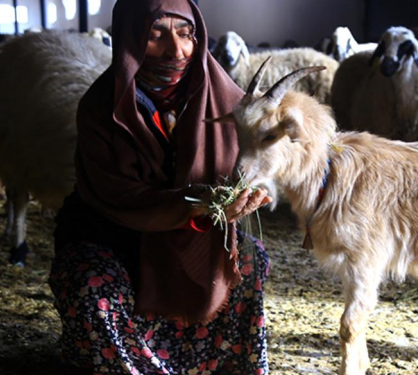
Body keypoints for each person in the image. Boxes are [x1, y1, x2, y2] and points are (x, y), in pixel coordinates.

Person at [48, 0, 272, 373]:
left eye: (186, 34)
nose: (177, 50)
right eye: (156, 35)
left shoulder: (225, 101)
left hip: (194, 234)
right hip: (114, 234)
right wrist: (194, 206)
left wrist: (247, 193)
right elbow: (117, 195)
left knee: (251, 260)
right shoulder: (101, 109)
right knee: (91, 286)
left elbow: (255, 160)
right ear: (129, 38)